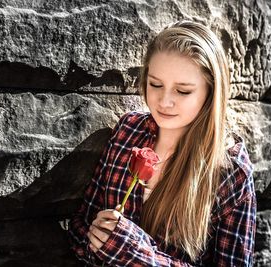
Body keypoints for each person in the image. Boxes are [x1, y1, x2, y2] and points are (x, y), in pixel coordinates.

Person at [68, 20, 256, 266]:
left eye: (183, 91)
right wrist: (94, 242)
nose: (164, 101)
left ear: (210, 93)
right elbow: (81, 224)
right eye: (155, 84)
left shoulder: (231, 173)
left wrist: (135, 254)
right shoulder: (129, 130)